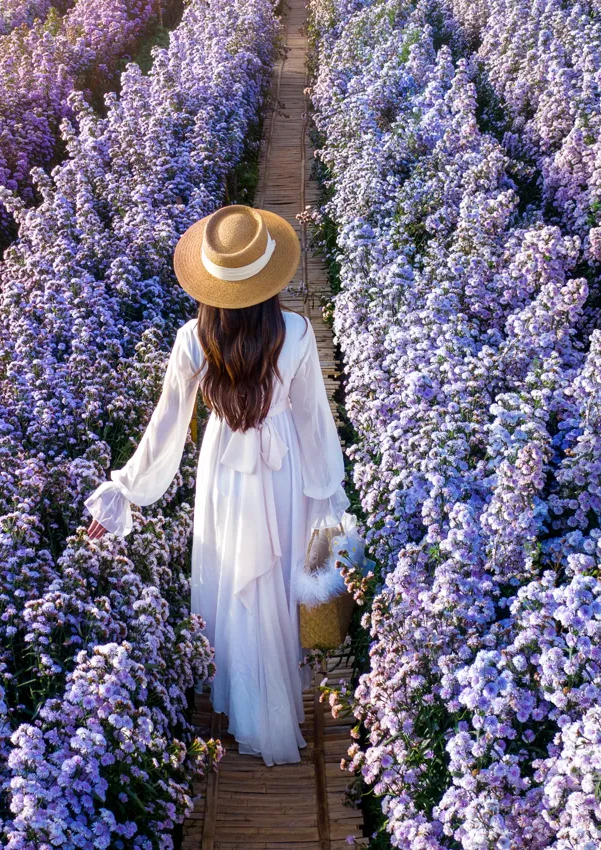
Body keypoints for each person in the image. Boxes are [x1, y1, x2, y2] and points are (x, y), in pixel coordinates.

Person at [83, 204, 349, 766]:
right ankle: (272, 708)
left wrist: (125, 492)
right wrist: (327, 495)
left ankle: (247, 707)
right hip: (285, 474)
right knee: (275, 582)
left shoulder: (193, 339)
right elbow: (313, 421)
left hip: (224, 476)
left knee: (234, 580)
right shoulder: (296, 332)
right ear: (268, 277)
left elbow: (166, 429)